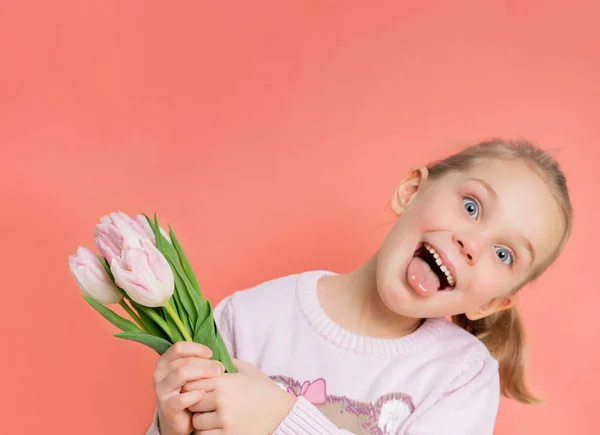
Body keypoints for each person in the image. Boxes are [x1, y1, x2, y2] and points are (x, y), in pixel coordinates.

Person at [146, 139, 573, 435]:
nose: (472, 243)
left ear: (491, 304)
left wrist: (282, 419)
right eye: (471, 206)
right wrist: (171, 422)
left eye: (504, 254)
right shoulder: (250, 317)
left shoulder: (460, 376)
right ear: (411, 191)